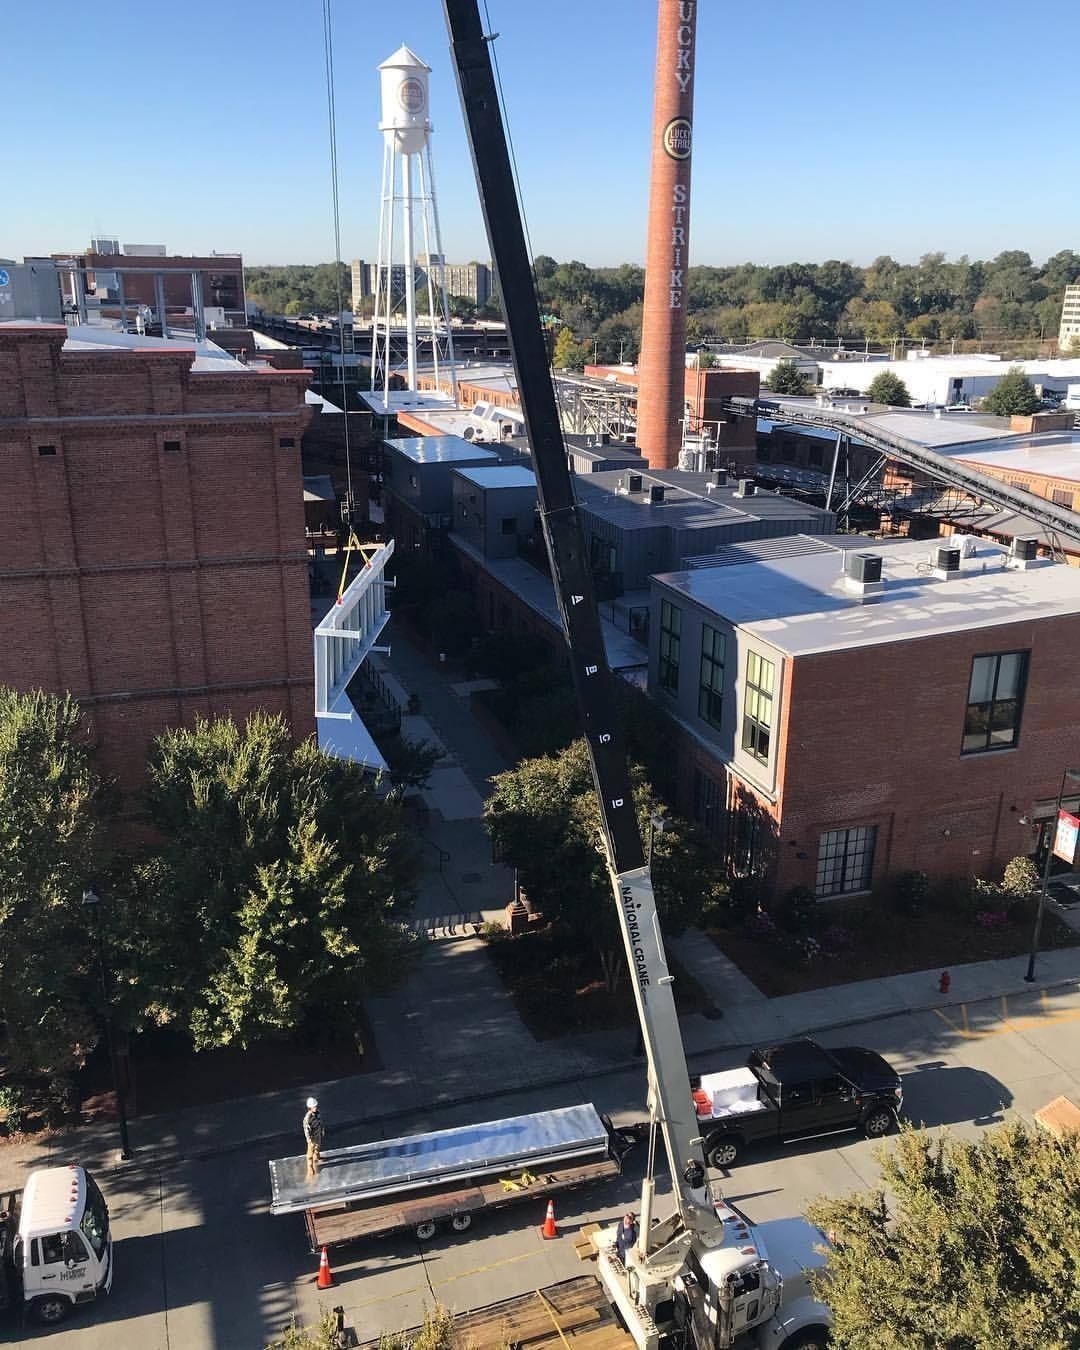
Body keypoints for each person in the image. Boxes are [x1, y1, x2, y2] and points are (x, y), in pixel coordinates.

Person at [303, 1096, 326, 1178]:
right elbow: (306, 1130)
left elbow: (321, 1122)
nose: (316, 1108)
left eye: (316, 1106)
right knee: (310, 1153)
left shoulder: (318, 1113)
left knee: (318, 1147)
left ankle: (317, 1157)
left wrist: (322, 1130)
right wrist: (309, 1140)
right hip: (312, 1138)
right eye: (314, 1106)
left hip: (318, 1134)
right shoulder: (308, 1118)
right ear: (310, 1108)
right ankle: (310, 1167)